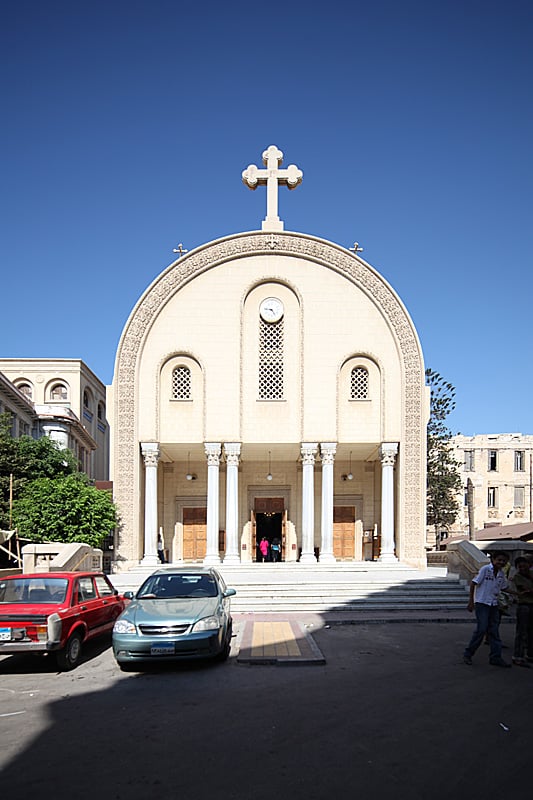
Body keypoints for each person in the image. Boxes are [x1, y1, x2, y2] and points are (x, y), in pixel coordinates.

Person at [463, 550, 511, 668]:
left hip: (493, 604)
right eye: (499, 560)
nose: (501, 562)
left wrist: (518, 593)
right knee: (481, 629)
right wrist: (471, 601)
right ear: (493, 560)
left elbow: (504, 588)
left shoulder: (501, 574)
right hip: (482, 603)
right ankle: (468, 653)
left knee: (494, 631)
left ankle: (496, 657)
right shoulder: (485, 570)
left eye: (503, 561)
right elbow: (474, 583)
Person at [510, 556, 533, 667]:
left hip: (531, 605)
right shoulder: (517, 577)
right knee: (521, 631)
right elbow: (525, 591)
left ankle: (530, 654)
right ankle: (518, 656)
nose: (523, 568)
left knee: (531, 631)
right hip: (523, 605)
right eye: (520, 567)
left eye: (525, 566)